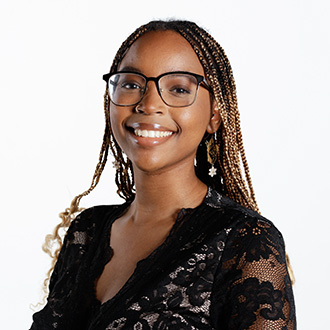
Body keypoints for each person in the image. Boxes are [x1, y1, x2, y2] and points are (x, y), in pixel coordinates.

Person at [30, 20, 296, 329]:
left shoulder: (245, 242)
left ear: (214, 115)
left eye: (179, 88)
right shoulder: (87, 233)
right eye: (131, 84)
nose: (149, 104)